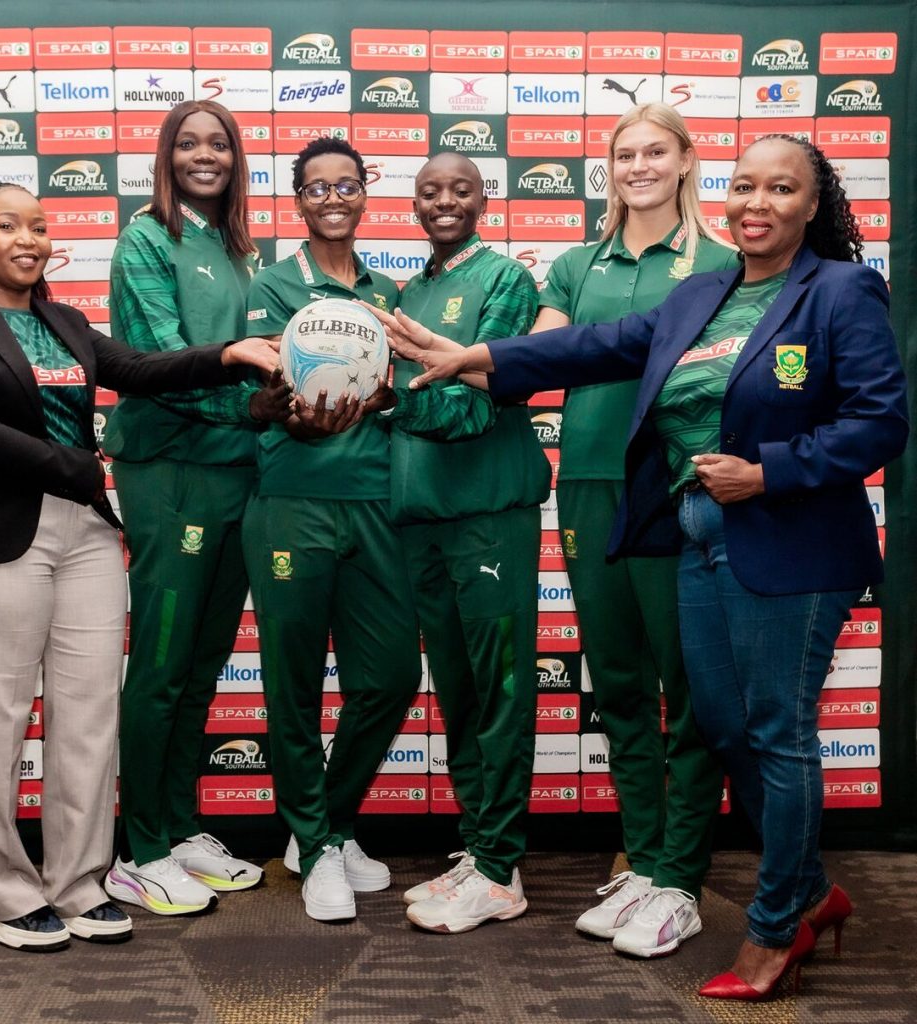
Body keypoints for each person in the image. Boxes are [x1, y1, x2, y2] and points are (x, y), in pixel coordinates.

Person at [379, 136, 908, 997]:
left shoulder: (841, 290)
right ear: (724, 196)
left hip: (793, 545)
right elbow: (586, 348)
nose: (757, 203)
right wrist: (469, 357)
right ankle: (811, 891)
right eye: (744, 186)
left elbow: (879, 423)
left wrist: (771, 471)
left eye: (781, 189)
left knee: (778, 735)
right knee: (727, 729)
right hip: (693, 536)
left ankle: (776, 931)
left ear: (812, 206)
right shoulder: (698, 293)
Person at [0, 180, 279, 951]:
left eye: (38, 226)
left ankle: (78, 883)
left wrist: (228, 354)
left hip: (83, 537)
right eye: (6, 225)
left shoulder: (67, 322)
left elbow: (142, 371)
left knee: (86, 724)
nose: (27, 238)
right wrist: (76, 468)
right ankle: (5, 895)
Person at [531, 104, 735, 957]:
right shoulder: (578, 262)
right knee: (616, 685)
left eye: (655, 152)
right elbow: (540, 356)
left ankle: (680, 876)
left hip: (674, 489)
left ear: (687, 161)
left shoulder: (724, 262)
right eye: (623, 155)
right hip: (583, 485)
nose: (637, 166)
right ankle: (646, 861)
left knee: (685, 692)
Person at [101, 101, 290, 917]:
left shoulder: (244, 249)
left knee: (204, 660)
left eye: (219, 143)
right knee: (163, 664)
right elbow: (154, 362)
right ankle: (139, 847)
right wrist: (255, 407)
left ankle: (177, 827)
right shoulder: (148, 236)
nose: (204, 155)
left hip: (237, 474)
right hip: (170, 467)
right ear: (166, 155)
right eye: (189, 142)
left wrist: (285, 401)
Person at [240, 137, 421, 923]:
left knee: (387, 679)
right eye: (316, 187)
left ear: (362, 193)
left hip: (378, 501)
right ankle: (315, 848)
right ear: (298, 200)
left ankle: (327, 822)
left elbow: (398, 389)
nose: (332, 198)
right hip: (293, 500)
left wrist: (384, 401)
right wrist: (289, 409)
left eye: (345, 184)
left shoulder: (388, 290)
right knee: (293, 683)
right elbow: (260, 392)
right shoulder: (273, 283)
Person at [384, 152, 550, 934]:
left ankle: (500, 867)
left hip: (487, 513)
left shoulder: (507, 280)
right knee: (456, 693)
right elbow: (424, 397)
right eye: (428, 191)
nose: (443, 201)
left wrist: (388, 400)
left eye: (459, 189)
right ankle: (481, 848)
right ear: (412, 204)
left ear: (485, 198)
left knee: (500, 690)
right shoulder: (409, 290)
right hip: (422, 517)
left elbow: (478, 406)